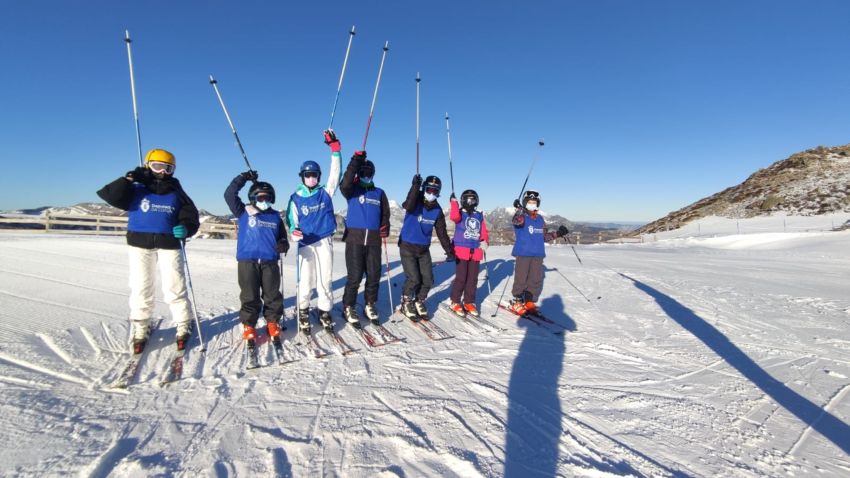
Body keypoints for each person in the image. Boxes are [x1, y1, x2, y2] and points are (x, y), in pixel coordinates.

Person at [96, 149, 200, 352]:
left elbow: (190, 216)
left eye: (167, 168)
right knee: (141, 285)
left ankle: (182, 322)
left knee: (174, 285)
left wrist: (186, 228)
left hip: (169, 243)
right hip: (139, 243)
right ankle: (141, 325)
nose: (162, 171)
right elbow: (110, 196)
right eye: (157, 166)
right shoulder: (137, 188)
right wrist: (128, 179)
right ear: (147, 165)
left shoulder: (176, 191)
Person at [286, 130, 342, 333]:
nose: (311, 178)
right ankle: (302, 310)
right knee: (306, 280)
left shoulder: (325, 192)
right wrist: (294, 233)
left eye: (314, 175)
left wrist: (334, 149)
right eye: (308, 175)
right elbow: (292, 222)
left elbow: (335, 174)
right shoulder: (295, 197)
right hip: (306, 243)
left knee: (325, 278)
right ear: (302, 176)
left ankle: (324, 310)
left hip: (324, 240)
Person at [224, 171, 290, 342]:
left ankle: (273, 322)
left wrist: (283, 243)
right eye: (260, 198)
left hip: (270, 262)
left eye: (267, 197)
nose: (263, 201)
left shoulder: (275, 216)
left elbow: (282, 236)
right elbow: (229, 194)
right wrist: (243, 178)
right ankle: (249, 325)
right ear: (253, 198)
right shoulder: (243, 211)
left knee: (272, 295)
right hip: (248, 261)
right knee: (249, 295)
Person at [339, 151, 390, 326]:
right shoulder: (351, 190)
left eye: (369, 173)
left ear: (373, 174)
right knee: (355, 276)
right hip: (355, 239)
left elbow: (385, 214)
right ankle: (348, 306)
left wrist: (385, 227)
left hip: (374, 240)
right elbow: (345, 181)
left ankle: (370, 304)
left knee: (374, 275)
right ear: (358, 174)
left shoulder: (379, 193)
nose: (366, 176)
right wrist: (356, 161)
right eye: (363, 173)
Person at [398, 174, 455, 320]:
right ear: (424, 189)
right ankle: (406, 301)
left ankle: (419, 300)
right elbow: (408, 204)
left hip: (423, 249)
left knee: (428, 279)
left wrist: (449, 251)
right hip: (407, 246)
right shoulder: (415, 201)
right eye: (429, 190)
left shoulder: (437, 210)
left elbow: (442, 233)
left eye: (435, 191)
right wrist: (415, 186)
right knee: (414, 278)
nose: (431, 194)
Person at [509, 190, 569, 315]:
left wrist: (558, 233)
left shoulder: (540, 219)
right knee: (521, 278)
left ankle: (529, 301)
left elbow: (544, 237)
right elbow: (516, 221)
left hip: (538, 253)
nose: (532, 204)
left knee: (535, 279)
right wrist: (519, 209)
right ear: (525, 203)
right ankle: (517, 301)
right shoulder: (521, 217)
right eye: (530, 202)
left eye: (534, 202)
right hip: (523, 252)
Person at [447, 189, 489, 317]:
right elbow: (453, 216)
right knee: (461, 278)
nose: (470, 202)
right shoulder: (459, 213)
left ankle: (469, 301)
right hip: (461, 251)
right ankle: (455, 301)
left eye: (473, 199)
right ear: (463, 201)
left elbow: (483, 230)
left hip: (475, 251)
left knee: (472, 279)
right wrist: (453, 203)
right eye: (468, 199)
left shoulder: (479, 215)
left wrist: (485, 241)